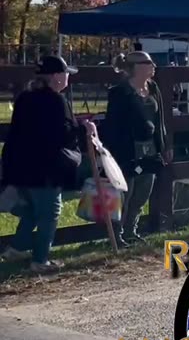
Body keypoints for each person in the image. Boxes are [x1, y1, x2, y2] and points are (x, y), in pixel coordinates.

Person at [0, 57, 95, 271]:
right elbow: (61, 134)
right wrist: (84, 128)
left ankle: (16, 249)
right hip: (45, 168)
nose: (68, 76)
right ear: (56, 77)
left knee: (34, 210)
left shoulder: (26, 97)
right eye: (66, 73)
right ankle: (40, 260)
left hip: (20, 165)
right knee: (50, 212)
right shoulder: (55, 100)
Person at [103, 51, 168, 247]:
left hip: (149, 150)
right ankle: (117, 234)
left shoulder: (153, 88)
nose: (153, 66)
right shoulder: (119, 92)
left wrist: (163, 146)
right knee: (125, 192)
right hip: (128, 149)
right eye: (149, 63)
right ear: (136, 67)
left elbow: (160, 120)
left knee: (143, 191)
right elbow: (113, 125)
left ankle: (131, 229)